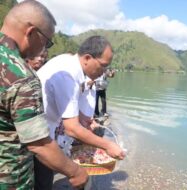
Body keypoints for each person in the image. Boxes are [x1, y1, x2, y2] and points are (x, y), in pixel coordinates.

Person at [0, 1, 88, 189]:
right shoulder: (21, 76)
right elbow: (39, 145)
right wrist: (75, 172)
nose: (44, 49)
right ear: (31, 32)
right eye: (46, 41)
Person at [37, 35, 125, 188]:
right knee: (42, 182)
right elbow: (72, 129)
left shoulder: (69, 64)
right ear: (87, 58)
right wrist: (108, 146)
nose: (104, 71)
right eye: (103, 65)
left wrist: (83, 117)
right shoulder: (67, 75)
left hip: (45, 132)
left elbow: (65, 103)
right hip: (38, 137)